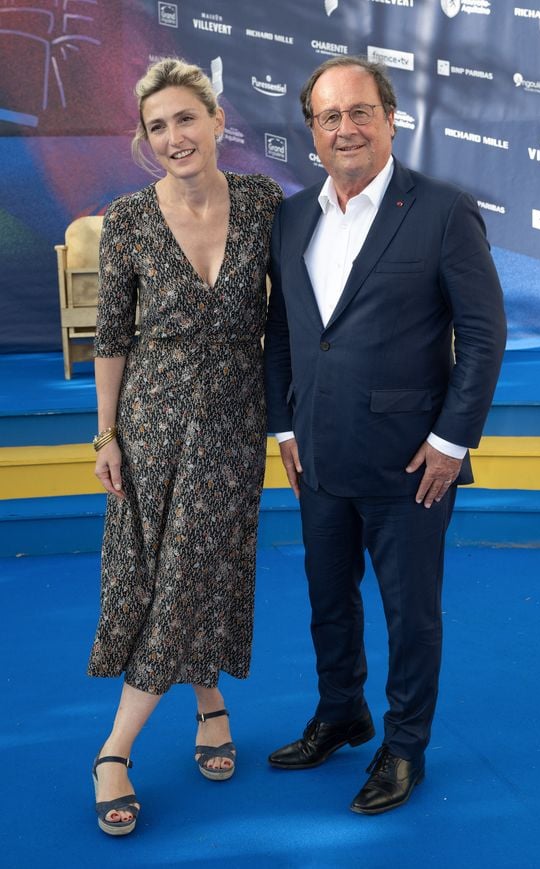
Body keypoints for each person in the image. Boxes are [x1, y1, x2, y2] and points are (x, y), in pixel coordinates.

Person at [264, 56, 506, 814]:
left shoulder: (442, 210)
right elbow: (282, 332)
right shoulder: (293, 216)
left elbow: (484, 334)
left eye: (360, 111)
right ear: (312, 132)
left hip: (412, 464)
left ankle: (405, 745)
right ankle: (343, 711)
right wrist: (283, 422)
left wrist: (450, 441)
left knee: (411, 614)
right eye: (330, 117)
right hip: (319, 455)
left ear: (392, 117)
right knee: (327, 601)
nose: (346, 128)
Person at [87, 57, 282, 836]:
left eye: (185, 119)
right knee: (160, 574)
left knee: (196, 567)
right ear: (146, 139)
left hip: (235, 421)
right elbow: (110, 336)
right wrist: (105, 431)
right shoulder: (130, 217)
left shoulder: (265, 202)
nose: (174, 137)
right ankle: (208, 704)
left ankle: (114, 750)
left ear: (217, 121)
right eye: (157, 126)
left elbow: (304, 308)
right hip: (152, 424)